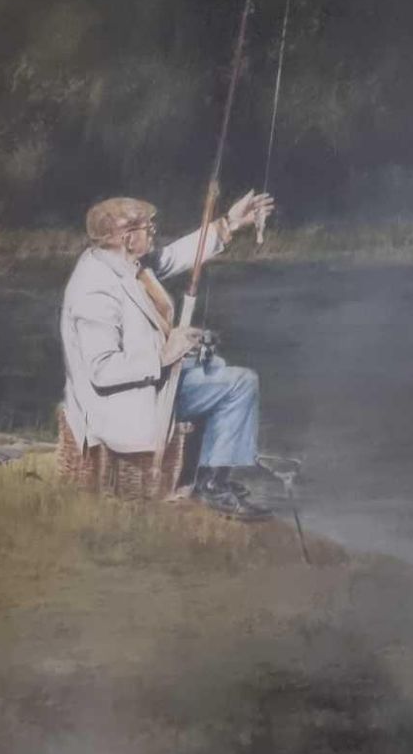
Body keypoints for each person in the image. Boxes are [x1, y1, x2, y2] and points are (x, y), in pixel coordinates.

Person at [60, 190, 274, 518]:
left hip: (148, 386)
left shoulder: (125, 262)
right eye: (149, 229)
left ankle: (209, 475)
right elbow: (101, 371)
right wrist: (164, 354)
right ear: (128, 239)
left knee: (220, 369)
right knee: (240, 384)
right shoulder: (95, 290)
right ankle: (212, 486)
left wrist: (229, 223)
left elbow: (174, 256)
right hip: (124, 404)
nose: (154, 234)